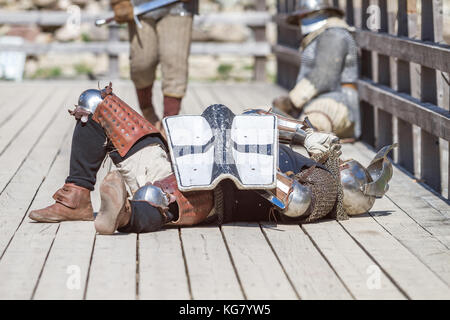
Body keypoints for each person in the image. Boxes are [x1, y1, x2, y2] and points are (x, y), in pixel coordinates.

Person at [29, 85, 393, 235]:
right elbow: (255, 115)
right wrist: (305, 134)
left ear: (348, 189)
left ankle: (124, 214)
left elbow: (297, 204)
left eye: (346, 169)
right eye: (345, 163)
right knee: (95, 104)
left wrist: (261, 173)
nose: (341, 163)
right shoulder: (309, 154)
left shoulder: (324, 187)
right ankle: (76, 196)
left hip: (217, 197)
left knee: (160, 198)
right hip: (176, 162)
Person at [272, 0, 360, 139]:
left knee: (309, 127)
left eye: (303, 15)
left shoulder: (334, 35)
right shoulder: (319, 34)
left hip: (337, 103)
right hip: (315, 101)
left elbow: (324, 78)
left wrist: (292, 101)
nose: (301, 20)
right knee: (268, 117)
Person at [111, 0, 197, 124]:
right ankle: (148, 115)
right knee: (142, 62)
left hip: (179, 6)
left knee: (175, 62)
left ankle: (169, 123)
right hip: (140, 6)